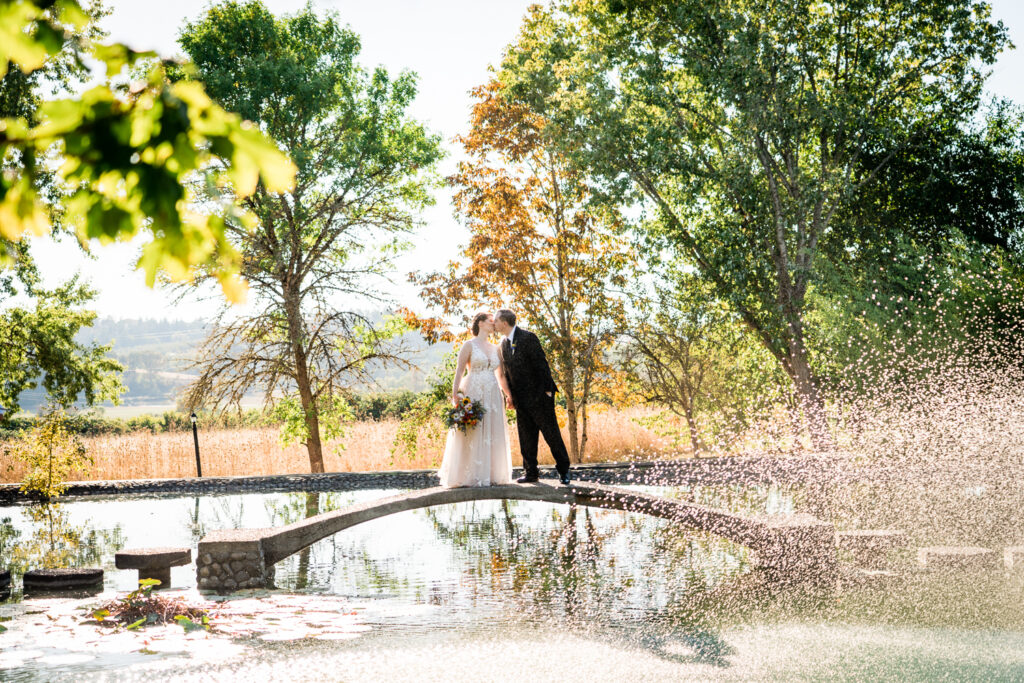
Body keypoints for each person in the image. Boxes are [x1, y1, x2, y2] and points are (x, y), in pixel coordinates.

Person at [492, 309, 571, 486]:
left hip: (540, 397)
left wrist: (547, 392)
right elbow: (507, 373)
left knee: (552, 436)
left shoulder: (528, 337)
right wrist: (511, 397)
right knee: (526, 438)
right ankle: (531, 473)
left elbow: (541, 364)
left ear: (505, 322)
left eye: (496, 321)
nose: (494, 324)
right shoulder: (503, 344)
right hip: (521, 401)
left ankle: (564, 471)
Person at [437, 312, 514, 488]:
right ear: (480, 323)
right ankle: (466, 476)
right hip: (473, 390)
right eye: (490, 321)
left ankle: (490, 474)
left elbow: (500, 375)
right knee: (473, 431)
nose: (493, 323)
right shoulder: (469, 345)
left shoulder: (496, 348)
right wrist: (455, 393)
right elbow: (459, 370)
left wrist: (509, 394)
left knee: (492, 431)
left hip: (493, 393)